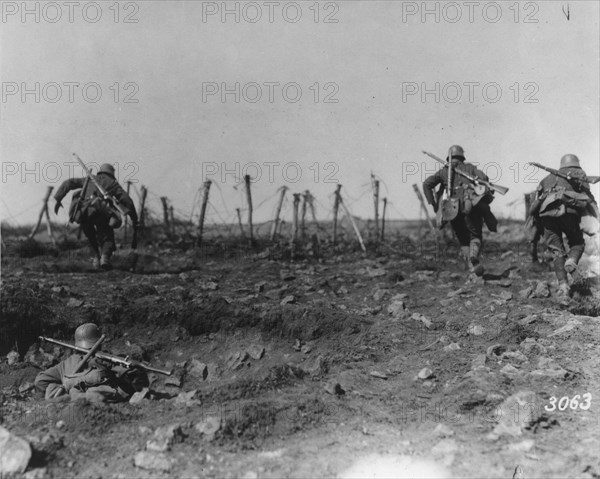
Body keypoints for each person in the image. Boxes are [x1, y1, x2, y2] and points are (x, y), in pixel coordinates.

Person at [423, 145, 498, 276]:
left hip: (452, 210)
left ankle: (471, 268)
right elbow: (485, 179)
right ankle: (474, 256)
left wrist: (434, 204)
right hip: (470, 207)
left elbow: (426, 184)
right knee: (475, 236)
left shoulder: (443, 171)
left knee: (463, 240)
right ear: (462, 156)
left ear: (449, 157)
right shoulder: (470, 168)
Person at [529, 154, 596, 298]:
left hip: (547, 216)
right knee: (577, 243)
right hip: (569, 214)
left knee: (556, 251)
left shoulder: (547, 179)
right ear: (576, 163)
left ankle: (563, 286)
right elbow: (588, 197)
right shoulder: (579, 174)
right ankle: (571, 260)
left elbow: (534, 204)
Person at [34, 323, 149, 403]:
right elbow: (137, 382)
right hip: (90, 398)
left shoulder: (67, 362)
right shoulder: (106, 360)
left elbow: (41, 381)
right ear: (99, 342)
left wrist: (62, 388)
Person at [54, 163, 138, 270]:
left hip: (84, 212)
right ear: (112, 173)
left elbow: (68, 183)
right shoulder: (113, 183)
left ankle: (96, 259)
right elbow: (127, 200)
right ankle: (104, 258)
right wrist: (134, 218)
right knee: (107, 236)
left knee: (90, 237)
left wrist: (58, 199)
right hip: (101, 213)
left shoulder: (89, 179)